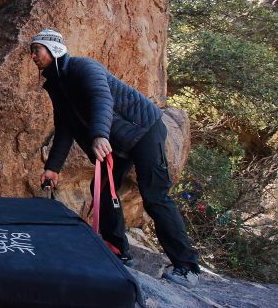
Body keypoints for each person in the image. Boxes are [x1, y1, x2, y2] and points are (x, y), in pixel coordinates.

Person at [32, 29, 201, 288]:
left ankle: (187, 267)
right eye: (32, 51)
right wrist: (53, 168)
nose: (33, 55)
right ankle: (117, 249)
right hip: (118, 142)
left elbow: (102, 99)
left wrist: (99, 135)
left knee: (154, 196)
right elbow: (64, 127)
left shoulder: (84, 67)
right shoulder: (57, 84)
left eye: (37, 49)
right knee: (101, 188)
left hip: (144, 130)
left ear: (53, 48)